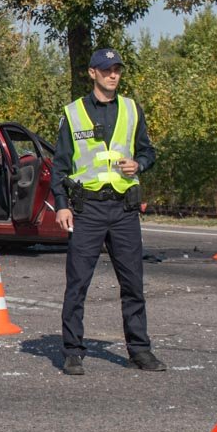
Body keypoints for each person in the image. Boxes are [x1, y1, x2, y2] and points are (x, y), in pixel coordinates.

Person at [50, 48, 165, 376]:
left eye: (116, 69)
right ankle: (73, 351)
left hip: (124, 209)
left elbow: (148, 151)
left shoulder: (131, 109)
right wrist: (61, 205)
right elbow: (59, 165)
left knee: (133, 284)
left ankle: (140, 351)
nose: (113, 75)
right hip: (88, 209)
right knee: (78, 284)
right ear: (92, 73)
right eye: (106, 70)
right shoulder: (73, 114)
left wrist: (139, 163)